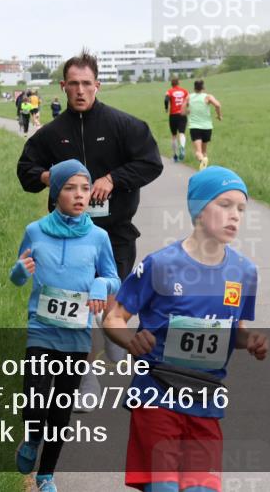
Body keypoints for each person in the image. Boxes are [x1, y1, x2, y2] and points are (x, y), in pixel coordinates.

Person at [103, 166, 268, 492]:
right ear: (198, 210)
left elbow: (235, 330)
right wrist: (130, 340)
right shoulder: (161, 264)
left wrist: (251, 340)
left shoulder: (244, 272)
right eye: (224, 204)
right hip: (157, 394)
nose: (234, 215)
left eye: (241, 209)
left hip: (206, 399)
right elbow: (114, 317)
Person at [17, 51, 164, 401]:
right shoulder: (51, 134)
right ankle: (86, 378)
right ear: (63, 86)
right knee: (78, 306)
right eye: (73, 84)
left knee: (109, 303)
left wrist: (114, 179)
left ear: (97, 85)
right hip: (66, 238)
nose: (80, 90)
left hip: (114, 232)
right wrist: (49, 176)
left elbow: (151, 163)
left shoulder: (123, 126)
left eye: (86, 83)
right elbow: (25, 171)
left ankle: (112, 330)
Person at [9, 159, 121, 492]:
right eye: (70, 188)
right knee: (35, 401)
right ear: (56, 193)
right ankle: (32, 438)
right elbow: (17, 274)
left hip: (76, 334)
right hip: (42, 329)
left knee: (60, 410)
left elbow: (113, 278)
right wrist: (19, 272)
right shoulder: (35, 231)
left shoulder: (99, 237)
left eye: (85, 188)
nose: (80, 195)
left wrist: (101, 285)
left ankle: (46, 476)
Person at [183, 80, 221, 171]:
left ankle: (202, 161)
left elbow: (182, 110)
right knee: (204, 152)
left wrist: (187, 111)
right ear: (203, 87)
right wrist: (219, 115)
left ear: (194, 88)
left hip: (195, 127)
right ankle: (205, 171)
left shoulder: (189, 97)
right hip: (207, 128)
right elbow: (218, 105)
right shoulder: (208, 97)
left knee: (198, 152)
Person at [165, 78, 189, 163]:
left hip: (173, 115)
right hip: (182, 114)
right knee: (182, 133)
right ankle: (182, 146)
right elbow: (188, 101)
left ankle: (175, 155)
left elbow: (166, 100)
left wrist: (166, 108)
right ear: (179, 83)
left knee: (174, 135)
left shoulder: (169, 91)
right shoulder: (185, 91)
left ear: (171, 83)